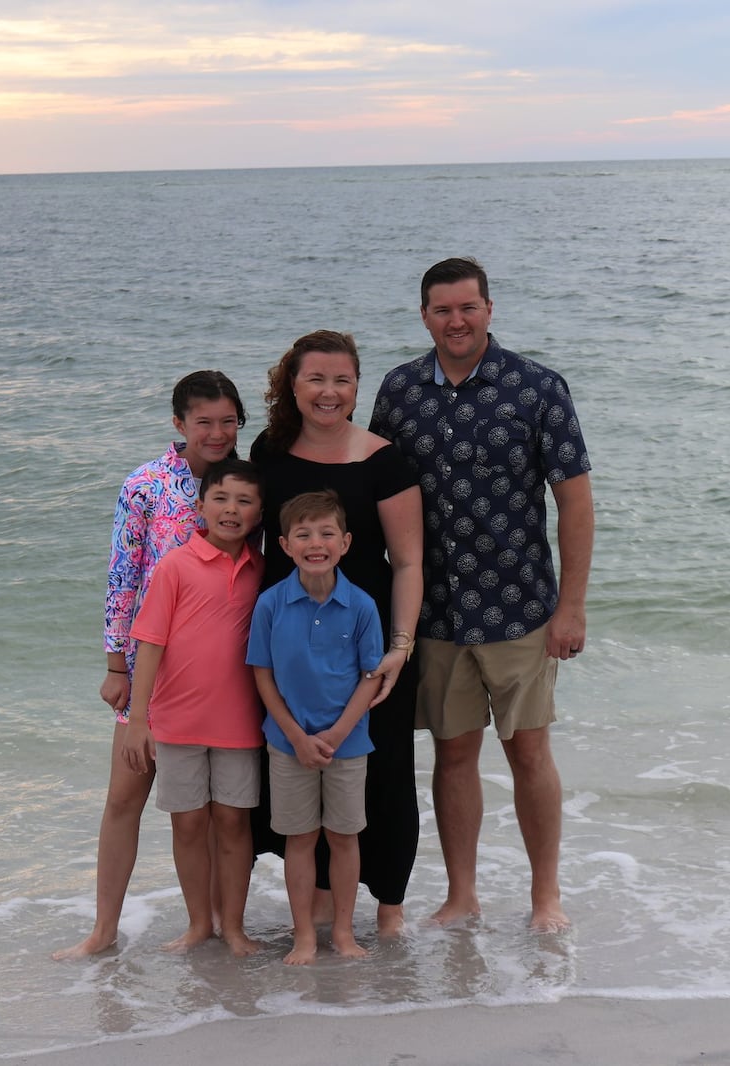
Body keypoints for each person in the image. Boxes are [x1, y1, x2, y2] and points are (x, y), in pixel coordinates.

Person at [368, 257, 594, 933]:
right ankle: (462, 894)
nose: (456, 321)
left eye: (468, 307)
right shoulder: (400, 390)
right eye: (442, 310)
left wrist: (571, 608)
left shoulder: (537, 387)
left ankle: (545, 896)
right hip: (434, 614)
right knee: (453, 753)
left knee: (529, 752)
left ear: (489, 309)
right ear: (424, 316)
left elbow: (574, 505)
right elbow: (373, 488)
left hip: (521, 607)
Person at [53, 371, 246, 960]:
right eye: (203, 422)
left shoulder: (247, 484)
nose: (216, 433)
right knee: (124, 798)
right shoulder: (146, 485)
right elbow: (121, 577)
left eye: (227, 421)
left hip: (227, 675)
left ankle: (213, 922)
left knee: (216, 811)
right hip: (151, 675)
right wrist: (116, 666)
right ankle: (103, 929)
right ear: (179, 425)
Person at [249, 329, 423, 937]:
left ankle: (391, 905)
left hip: (370, 644)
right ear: (291, 385)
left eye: (342, 380)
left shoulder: (386, 459)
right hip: (288, 641)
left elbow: (407, 562)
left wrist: (401, 648)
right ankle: (319, 898)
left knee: (385, 771)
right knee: (294, 766)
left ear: (357, 386)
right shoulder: (267, 452)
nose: (329, 392)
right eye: (315, 379)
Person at [121, 459, 266, 955]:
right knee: (187, 822)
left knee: (232, 822)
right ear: (200, 507)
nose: (231, 510)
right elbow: (149, 643)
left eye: (245, 501)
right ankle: (198, 922)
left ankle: (235, 926)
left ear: (260, 512)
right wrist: (139, 719)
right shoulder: (175, 565)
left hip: (240, 722)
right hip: (177, 720)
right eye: (221, 499)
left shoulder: (261, 570)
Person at [248, 491, 383, 965]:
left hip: (348, 743)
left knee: (345, 838)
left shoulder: (362, 605)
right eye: (303, 534)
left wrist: (339, 732)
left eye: (326, 533)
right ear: (284, 545)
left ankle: (343, 933)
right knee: (299, 839)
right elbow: (262, 675)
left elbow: (371, 677)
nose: (315, 543)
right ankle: (303, 934)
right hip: (288, 744)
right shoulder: (270, 604)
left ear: (345, 543)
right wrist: (297, 735)